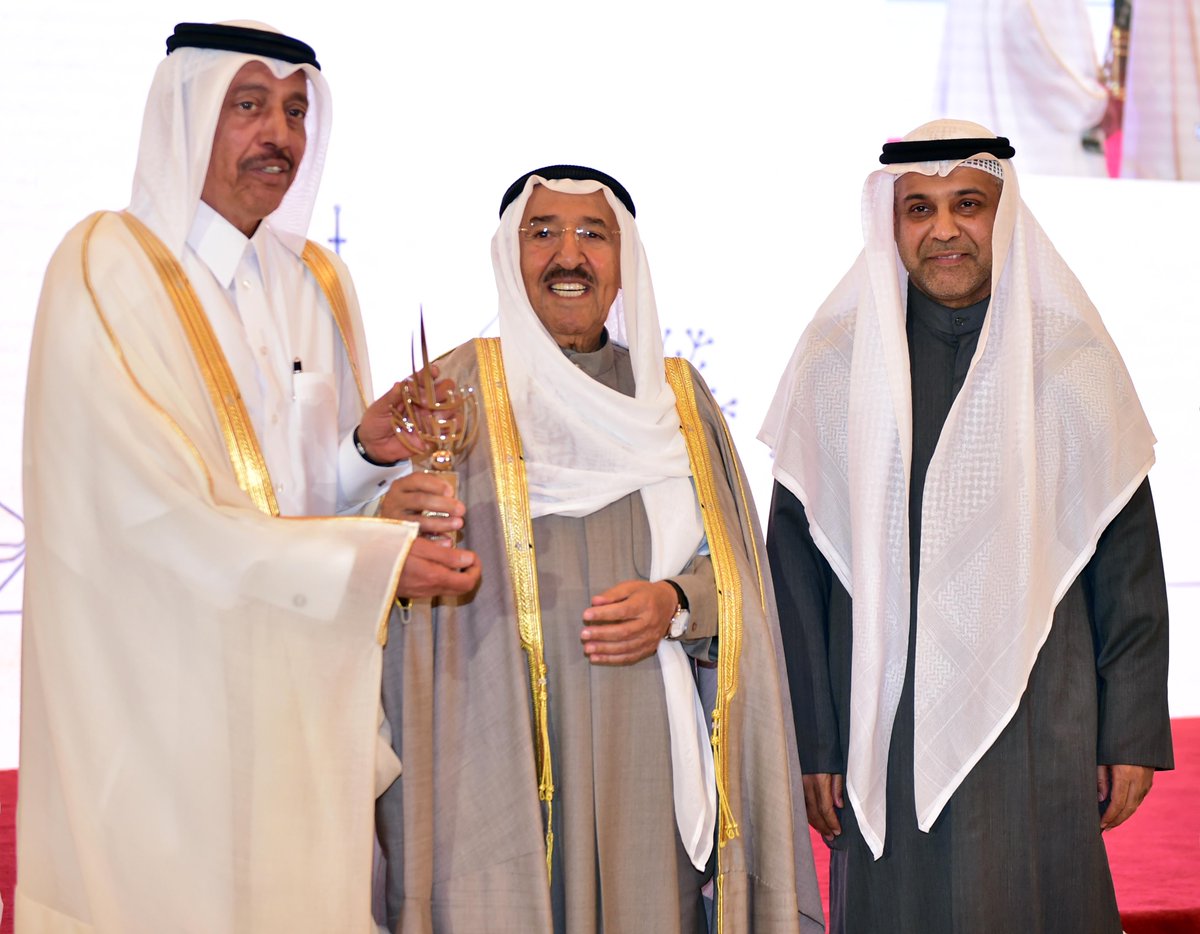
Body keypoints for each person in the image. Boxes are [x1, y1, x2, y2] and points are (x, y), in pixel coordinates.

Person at [18, 21, 478, 933]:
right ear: (188, 114)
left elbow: (294, 498)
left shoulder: (317, 282)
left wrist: (365, 462)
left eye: (297, 112)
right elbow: (156, 517)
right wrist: (373, 561)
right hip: (161, 713)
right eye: (250, 106)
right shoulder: (106, 266)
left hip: (298, 702)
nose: (280, 135)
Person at [374, 165, 823, 933]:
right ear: (508, 256)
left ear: (624, 263)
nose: (568, 255)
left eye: (593, 234)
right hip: (492, 748)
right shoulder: (453, 391)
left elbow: (738, 577)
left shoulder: (676, 399)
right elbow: (383, 557)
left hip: (643, 744)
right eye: (542, 232)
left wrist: (677, 605)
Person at [760, 120, 1173, 933]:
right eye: (920, 208)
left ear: (1003, 215)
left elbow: (1127, 566)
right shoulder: (837, 364)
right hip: (882, 720)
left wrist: (1128, 730)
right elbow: (796, 579)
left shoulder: (1071, 363)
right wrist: (815, 742)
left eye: (968, 205)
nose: (944, 229)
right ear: (891, 223)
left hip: (1042, 719)